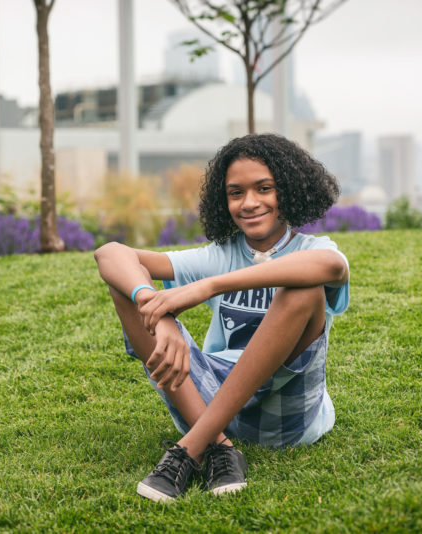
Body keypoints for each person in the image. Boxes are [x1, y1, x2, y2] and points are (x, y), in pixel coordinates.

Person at [94, 134, 350, 503]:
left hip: (286, 414)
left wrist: (208, 287)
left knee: (304, 289)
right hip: (212, 402)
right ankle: (220, 448)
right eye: (236, 193)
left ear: (290, 190)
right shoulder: (222, 254)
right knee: (127, 286)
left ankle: (189, 450)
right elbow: (110, 253)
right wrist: (157, 309)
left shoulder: (313, 250)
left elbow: (331, 266)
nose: (250, 202)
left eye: (265, 188)